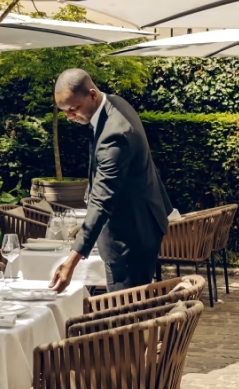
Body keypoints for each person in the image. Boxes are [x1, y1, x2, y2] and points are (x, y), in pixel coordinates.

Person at [49, 68, 172, 293]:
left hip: (129, 238)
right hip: (144, 222)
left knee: (125, 315)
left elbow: (102, 201)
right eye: (64, 111)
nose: (69, 116)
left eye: (73, 109)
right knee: (133, 310)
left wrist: (72, 261)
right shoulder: (115, 103)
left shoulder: (115, 135)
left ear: (92, 95)